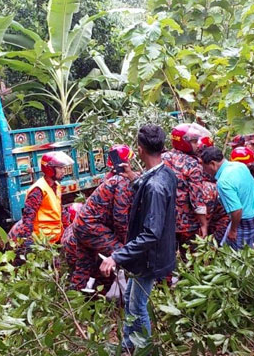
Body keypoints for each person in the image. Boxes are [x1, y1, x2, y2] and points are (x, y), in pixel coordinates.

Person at [99, 125, 177, 351]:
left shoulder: (154, 186)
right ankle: (127, 346)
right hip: (152, 255)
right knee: (132, 302)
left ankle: (145, 350)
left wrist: (116, 257)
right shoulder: (165, 173)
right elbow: (151, 187)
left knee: (137, 307)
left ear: (140, 150)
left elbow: (151, 233)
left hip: (149, 258)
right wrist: (134, 177)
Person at [69, 145, 134, 291]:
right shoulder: (121, 181)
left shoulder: (109, 178)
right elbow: (120, 219)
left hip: (83, 227)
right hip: (91, 228)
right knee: (126, 256)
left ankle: (76, 303)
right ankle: (136, 301)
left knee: (84, 269)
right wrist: (127, 244)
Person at [200, 146, 254, 249]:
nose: (204, 170)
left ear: (213, 164)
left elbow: (237, 210)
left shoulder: (223, 182)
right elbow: (253, 183)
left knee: (234, 253)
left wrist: (233, 230)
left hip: (247, 221)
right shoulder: (239, 165)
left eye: (205, 167)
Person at [8, 151, 75, 250]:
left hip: (53, 241)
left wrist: (70, 229)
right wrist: (28, 242)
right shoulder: (38, 189)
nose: (63, 171)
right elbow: (28, 218)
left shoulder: (56, 187)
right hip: (41, 243)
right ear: (49, 169)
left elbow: (59, 211)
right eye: (60, 168)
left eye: (63, 168)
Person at [162, 123, 210, 254]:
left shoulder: (163, 158)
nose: (197, 145)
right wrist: (204, 224)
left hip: (165, 221)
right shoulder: (192, 164)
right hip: (187, 224)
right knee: (191, 260)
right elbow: (197, 199)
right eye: (194, 142)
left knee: (167, 259)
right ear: (184, 142)